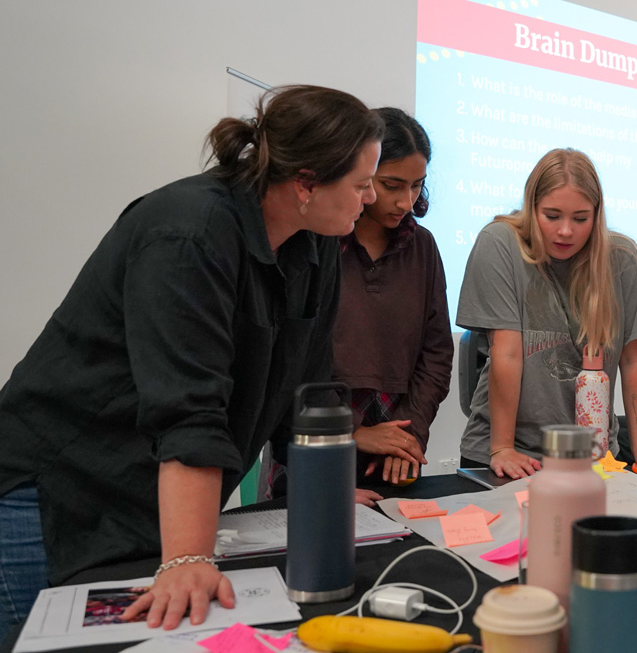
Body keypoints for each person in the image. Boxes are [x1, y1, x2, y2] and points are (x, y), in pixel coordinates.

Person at [0, 85, 384, 639]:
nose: (369, 198)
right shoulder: (188, 233)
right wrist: (186, 560)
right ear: (305, 183)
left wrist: (322, 483)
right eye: (362, 183)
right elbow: (189, 408)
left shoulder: (316, 240)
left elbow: (309, 381)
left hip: (153, 496)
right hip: (56, 493)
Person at [457, 148, 637, 478]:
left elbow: (633, 360)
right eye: (552, 216)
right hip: (511, 454)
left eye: (580, 218)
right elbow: (507, 353)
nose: (566, 231)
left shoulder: (622, 258)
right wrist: (502, 449)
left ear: (596, 215)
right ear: (532, 208)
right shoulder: (500, 243)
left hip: (594, 457)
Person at [332, 107, 453, 501]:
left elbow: (436, 354)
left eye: (416, 186)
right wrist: (352, 433)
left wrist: (409, 435)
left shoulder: (423, 246)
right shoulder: (317, 241)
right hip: (315, 438)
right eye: (392, 185)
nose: (406, 201)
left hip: (398, 443)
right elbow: (293, 360)